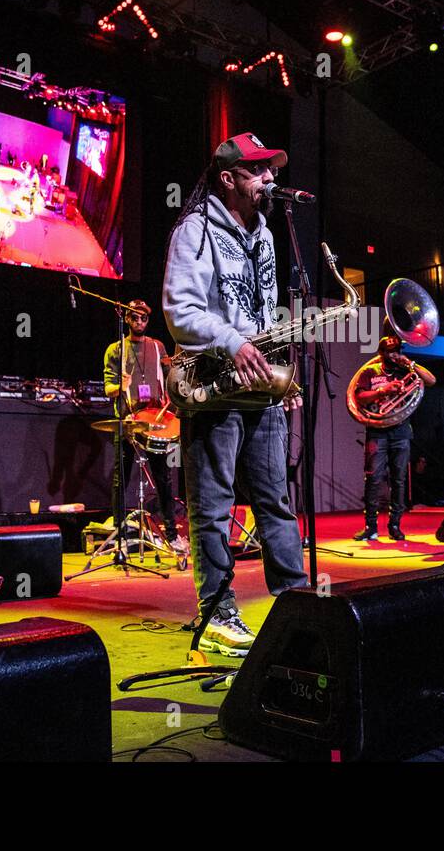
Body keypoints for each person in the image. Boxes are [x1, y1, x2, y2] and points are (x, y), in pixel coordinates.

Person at [162, 132, 309, 657]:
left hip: (258, 387)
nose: (270, 179)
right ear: (229, 178)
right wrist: (232, 341)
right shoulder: (194, 230)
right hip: (213, 384)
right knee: (213, 508)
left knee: (277, 503)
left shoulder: (268, 235)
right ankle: (218, 614)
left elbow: (265, 317)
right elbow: (180, 311)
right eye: (258, 171)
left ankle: (297, 605)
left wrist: (280, 377)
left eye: (271, 169)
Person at [102, 298, 183, 550]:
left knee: (163, 478)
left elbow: (172, 377)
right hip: (128, 421)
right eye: (134, 317)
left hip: (155, 421)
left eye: (143, 318)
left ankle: (171, 534)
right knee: (121, 478)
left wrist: (174, 398)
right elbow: (108, 389)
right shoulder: (116, 350)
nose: (139, 321)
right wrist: (121, 387)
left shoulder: (158, 347)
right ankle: (119, 535)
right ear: (126, 319)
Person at [351, 334, 435, 541]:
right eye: (389, 351)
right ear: (381, 353)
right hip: (377, 431)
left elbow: (431, 380)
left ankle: (395, 525)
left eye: (397, 351)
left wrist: (410, 364)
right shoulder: (370, 371)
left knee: (399, 480)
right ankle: (371, 527)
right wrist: (382, 391)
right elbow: (358, 396)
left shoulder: (405, 369)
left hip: (401, 431)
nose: (394, 355)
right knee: (373, 478)